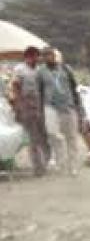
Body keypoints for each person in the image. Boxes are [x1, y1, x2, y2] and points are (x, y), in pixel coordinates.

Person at [4, 46, 50, 175]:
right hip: (26, 106)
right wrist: (18, 106)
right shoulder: (20, 69)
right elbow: (15, 87)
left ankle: (46, 160)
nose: (36, 59)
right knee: (33, 138)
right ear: (27, 57)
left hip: (40, 106)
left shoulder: (39, 70)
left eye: (37, 56)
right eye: (33, 56)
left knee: (44, 136)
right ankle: (38, 167)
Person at [38, 47, 83, 174]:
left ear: (54, 56)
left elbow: (74, 87)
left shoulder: (66, 69)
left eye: (50, 55)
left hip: (68, 106)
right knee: (52, 134)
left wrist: (78, 105)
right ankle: (60, 161)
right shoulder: (41, 72)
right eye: (45, 56)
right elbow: (39, 90)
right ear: (42, 58)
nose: (48, 58)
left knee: (72, 137)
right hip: (50, 106)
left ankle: (73, 165)